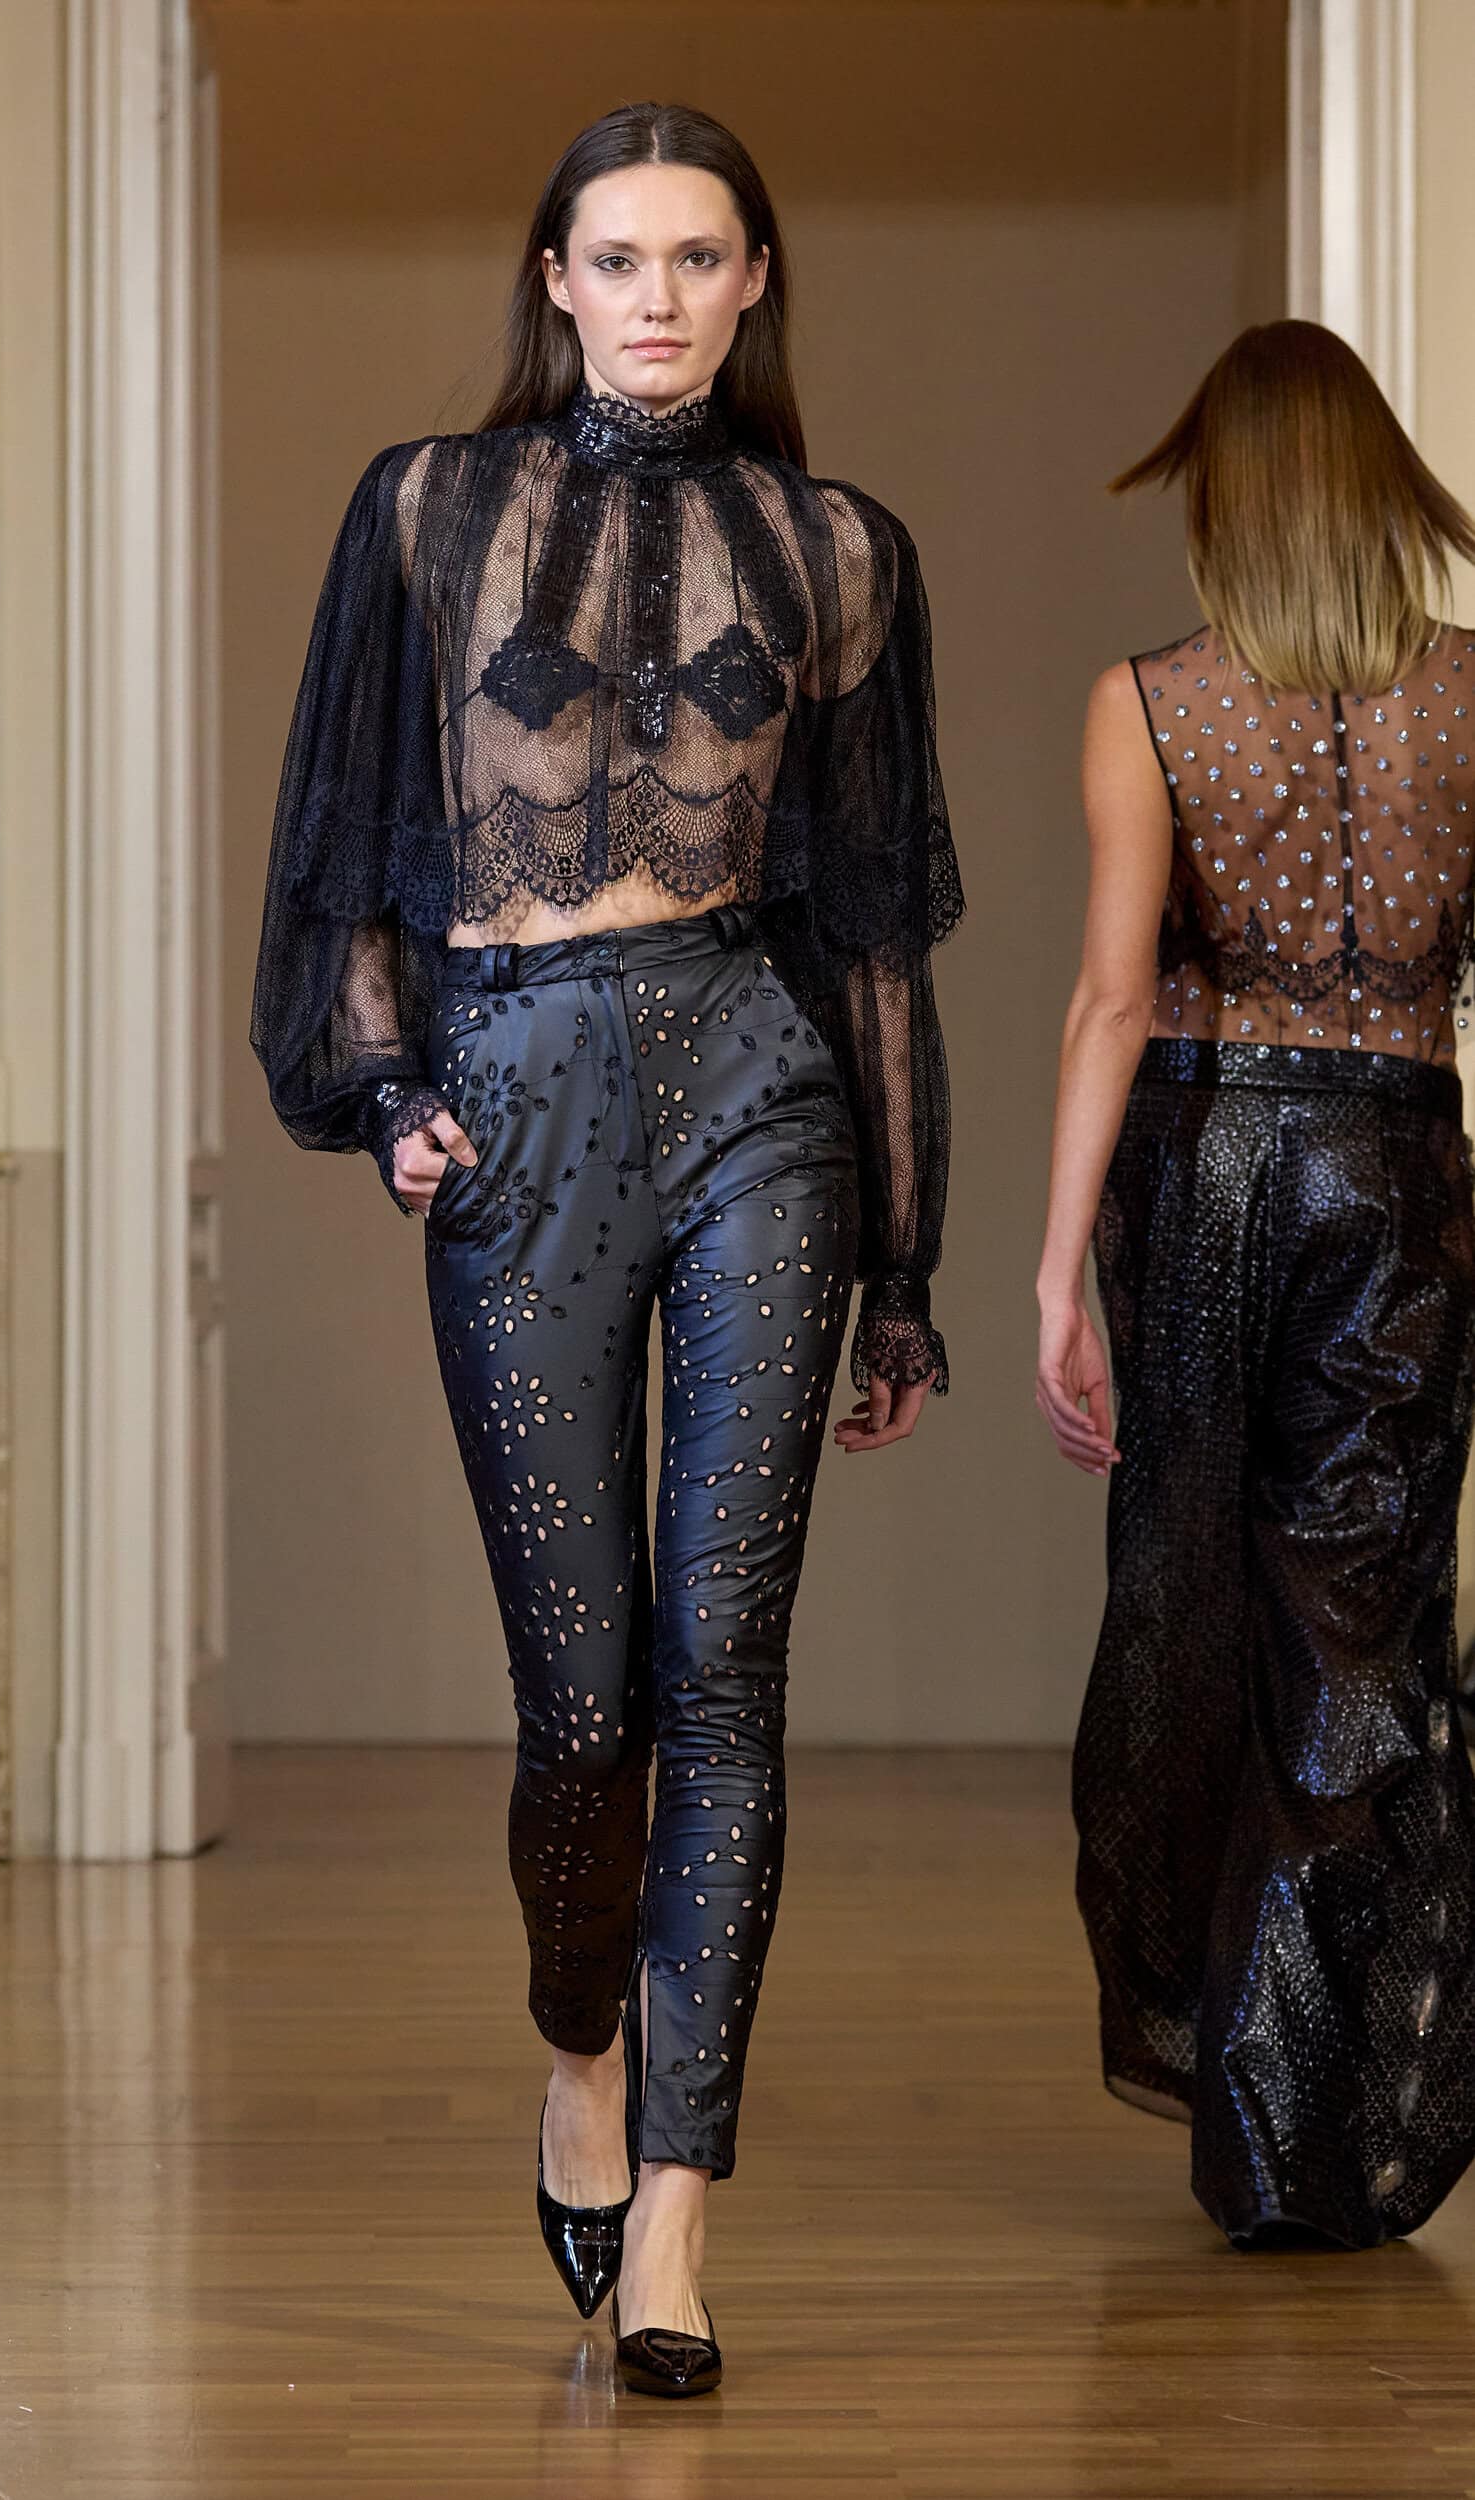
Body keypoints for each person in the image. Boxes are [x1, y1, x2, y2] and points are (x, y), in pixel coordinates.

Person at [252, 102, 962, 2388]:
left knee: (725, 1669)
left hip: (762, 1094)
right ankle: (583, 2034)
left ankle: (674, 2216)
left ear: (758, 284)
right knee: (585, 1699)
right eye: (618, 255)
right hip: (523, 1092)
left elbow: (871, 936)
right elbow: (352, 838)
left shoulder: (843, 550)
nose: (658, 295)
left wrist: (908, 1259)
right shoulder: (425, 509)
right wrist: (389, 1088)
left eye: (699, 256)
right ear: (553, 278)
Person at [1037, 317, 1475, 2249]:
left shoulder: (1152, 702)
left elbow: (1112, 1000)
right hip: (1403, 1175)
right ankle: (1313, 2129)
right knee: (1358, 1638)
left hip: (1213, 1180)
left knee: (1198, 1626)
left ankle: (1262, 2106)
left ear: (1224, 502)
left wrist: (1056, 1273)